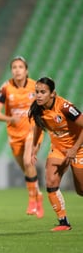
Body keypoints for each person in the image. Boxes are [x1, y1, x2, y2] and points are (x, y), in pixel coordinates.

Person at [29, 77, 83, 231]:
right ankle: (63, 222)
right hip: (58, 149)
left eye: (43, 92)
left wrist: (74, 149)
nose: (38, 95)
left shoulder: (65, 107)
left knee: (81, 191)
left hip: (79, 148)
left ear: (53, 94)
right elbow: (38, 127)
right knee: (51, 181)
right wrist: (35, 146)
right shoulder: (37, 108)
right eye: (37, 92)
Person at [0, 56, 44, 218]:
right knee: (26, 169)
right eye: (14, 67)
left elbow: (43, 110)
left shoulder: (35, 87)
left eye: (20, 67)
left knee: (29, 161)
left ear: (26, 70)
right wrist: (10, 119)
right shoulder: (6, 88)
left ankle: (32, 200)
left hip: (32, 130)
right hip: (14, 134)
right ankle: (38, 195)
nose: (17, 70)